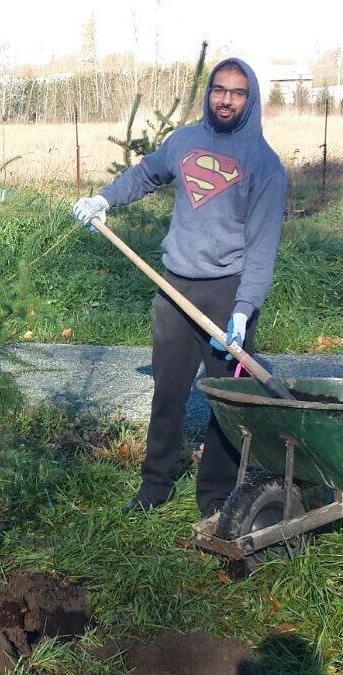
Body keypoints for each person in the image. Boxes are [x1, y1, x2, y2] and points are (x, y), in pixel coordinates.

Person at [71, 58, 286, 518]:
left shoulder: (265, 166)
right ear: (209, 92)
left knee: (227, 404)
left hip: (227, 295)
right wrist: (104, 199)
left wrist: (244, 310)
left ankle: (214, 497)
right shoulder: (185, 141)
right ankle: (155, 485)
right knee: (167, 392)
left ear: (251, 101)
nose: (226, 98)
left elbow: (262, 247)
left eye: (237, 92)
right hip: (174, 289)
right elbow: (146, 173)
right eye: (219, 89)